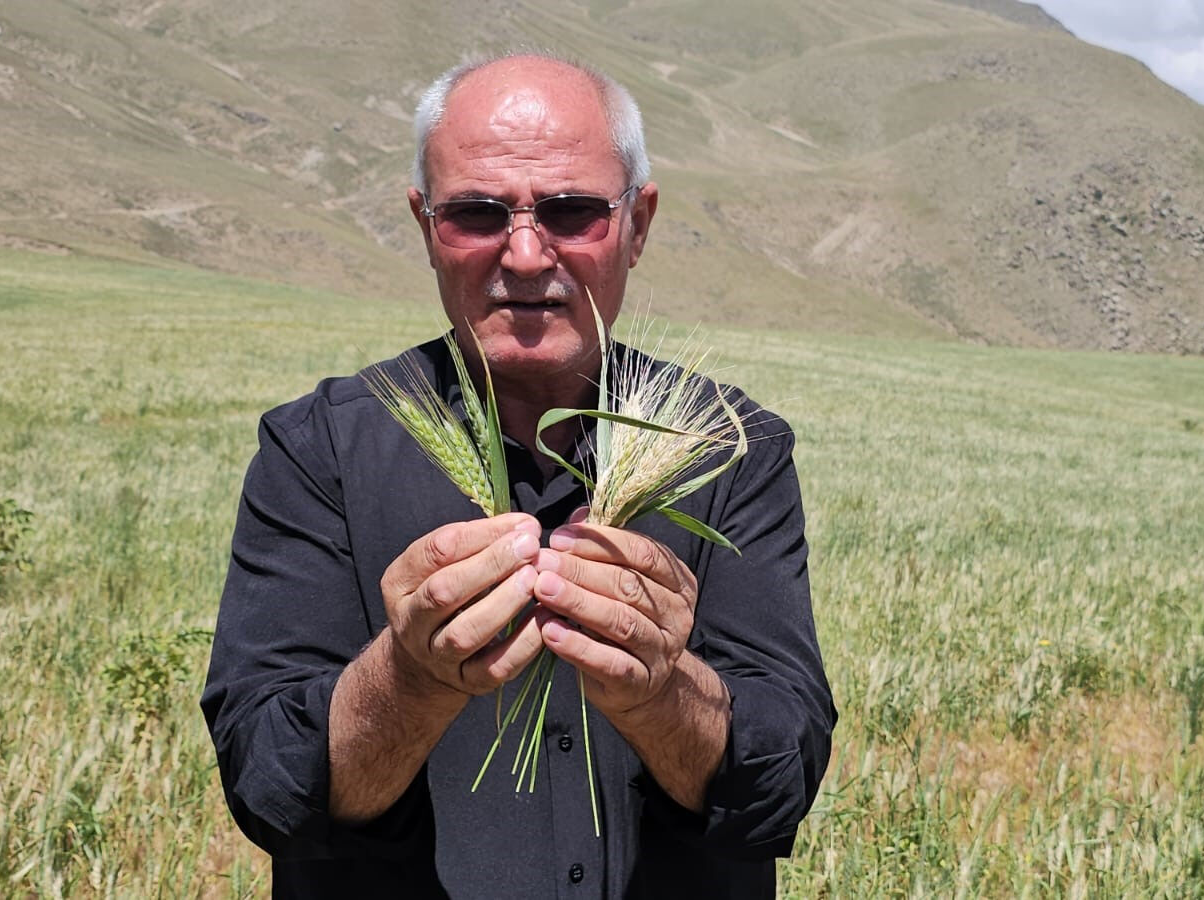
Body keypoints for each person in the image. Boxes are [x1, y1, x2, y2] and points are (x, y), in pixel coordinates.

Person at [201, 52, 836, 898]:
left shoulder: (732, 448)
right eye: (477, 213)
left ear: (637, 225)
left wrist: (659, 693)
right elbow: (270, 790)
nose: (528, 254)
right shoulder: (316, 452)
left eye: (574, 211)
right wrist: (409, 675)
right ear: (427, 226)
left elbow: (781, 783)